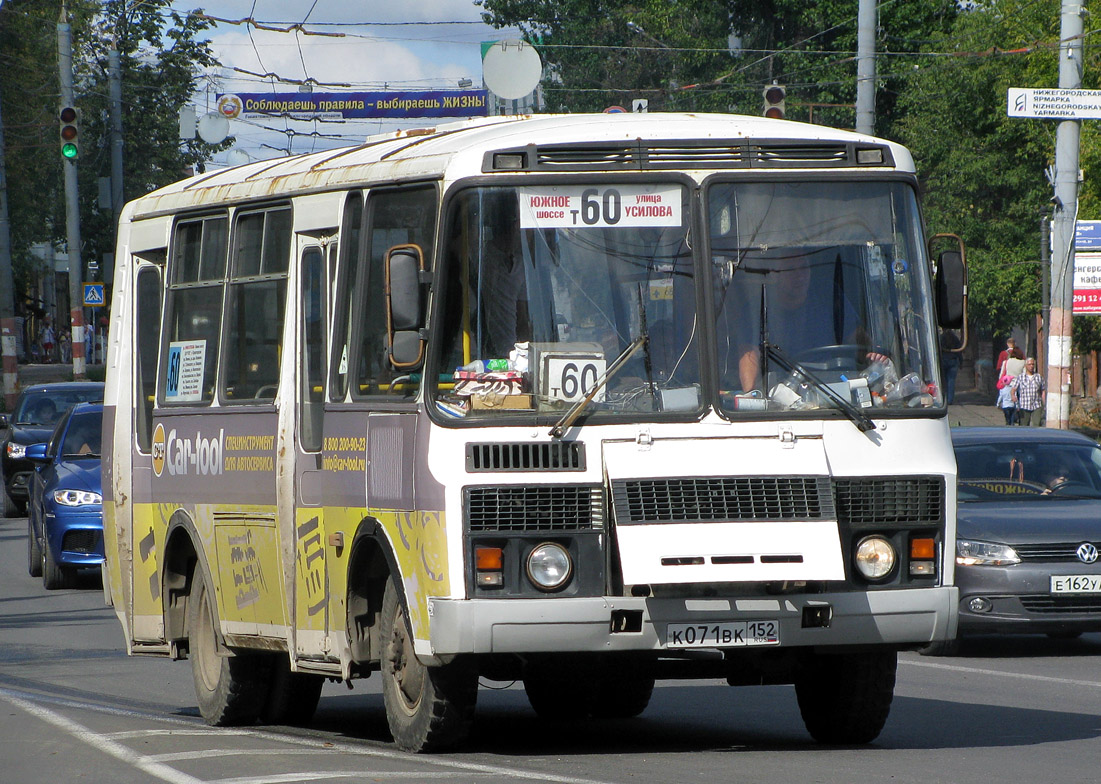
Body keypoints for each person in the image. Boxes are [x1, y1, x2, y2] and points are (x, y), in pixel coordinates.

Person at [734, 253, 886, 393]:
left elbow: (858, 340)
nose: (799, 276)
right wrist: (752, 394)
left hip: (836, 391)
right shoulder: (759, 309)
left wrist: (873, 358)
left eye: (803, 268)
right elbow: (749, 354)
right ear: (774, 275)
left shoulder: (829, 297)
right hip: (783, 394)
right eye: (790, 270)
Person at [1011, 357, 1045, 426]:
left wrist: (1044, 403)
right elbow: (1013, 389)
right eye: (1029, 364)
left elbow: (1043, 390)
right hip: (1024, 405)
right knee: (1024, 425)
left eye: (1032, 364)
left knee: (1037, 424)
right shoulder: (1021, 377)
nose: (1031, 366)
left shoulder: (1038, 377)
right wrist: (1013, 396)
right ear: (1026, 366)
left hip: (1036, 404)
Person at [940, 329, 961, 404]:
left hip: (944, 360)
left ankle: (944, 398)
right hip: (953, 360)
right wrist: (961, 362)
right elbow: (959, 351)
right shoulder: (955, 338)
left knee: (944, 381)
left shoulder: (941, 338)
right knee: (951, 381)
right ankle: (950, 400)